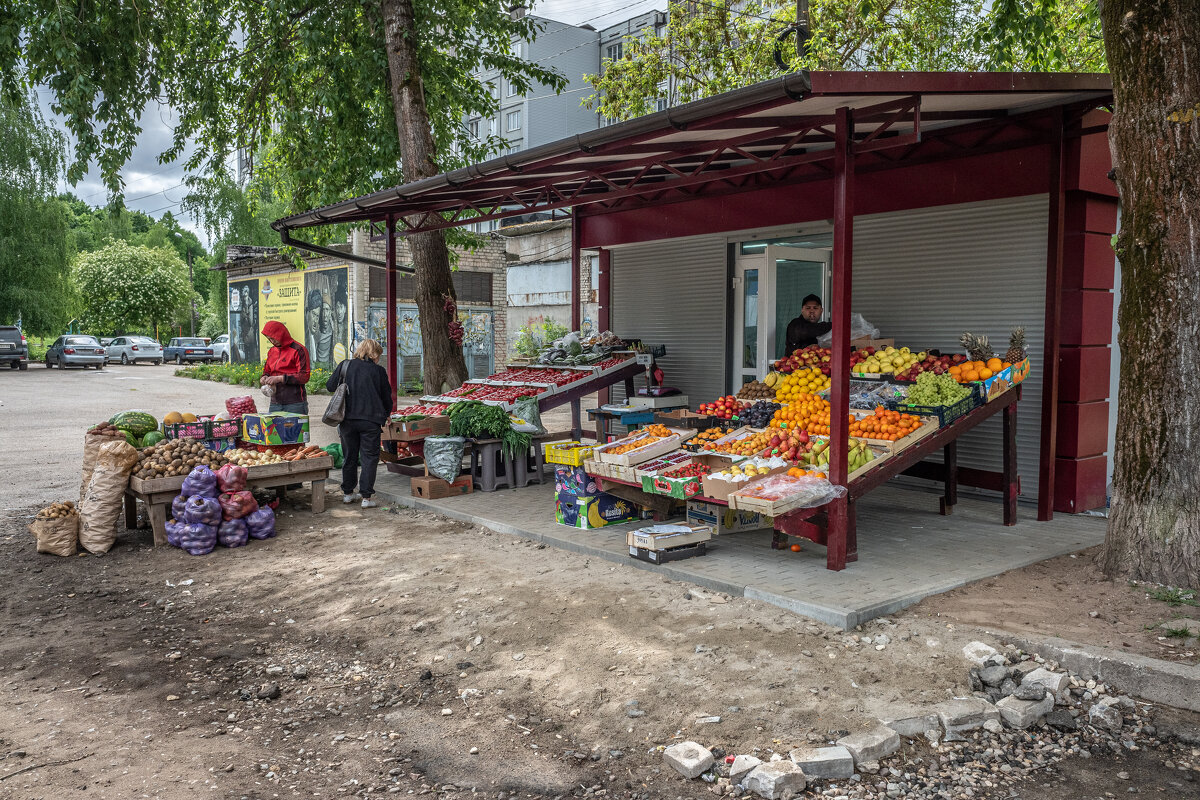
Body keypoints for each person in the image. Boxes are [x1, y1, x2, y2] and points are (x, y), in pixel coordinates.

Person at [326, 338, 392, 509]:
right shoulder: (378, 371)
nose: (378, 359)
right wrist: (387, 414)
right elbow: (386, 397)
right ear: (374, 353)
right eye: (378, 355)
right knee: (369, 458)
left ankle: (348, 494)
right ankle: (366, 498)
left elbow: (330, 386)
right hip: (371, 421)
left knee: (350, 456)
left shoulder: (345, 365)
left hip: (347, 420)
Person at [260, 320, 311, 414]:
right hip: (275, 402)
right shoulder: (272, 351)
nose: (272, 341)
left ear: (281, 334)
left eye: (274, 338)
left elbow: (304, 376)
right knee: (273, 429)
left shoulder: (299, 350)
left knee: (295, 429)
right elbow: (267, 370)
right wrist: (264, 377)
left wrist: (280, 378)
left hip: (295, 403)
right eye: (269, 339)